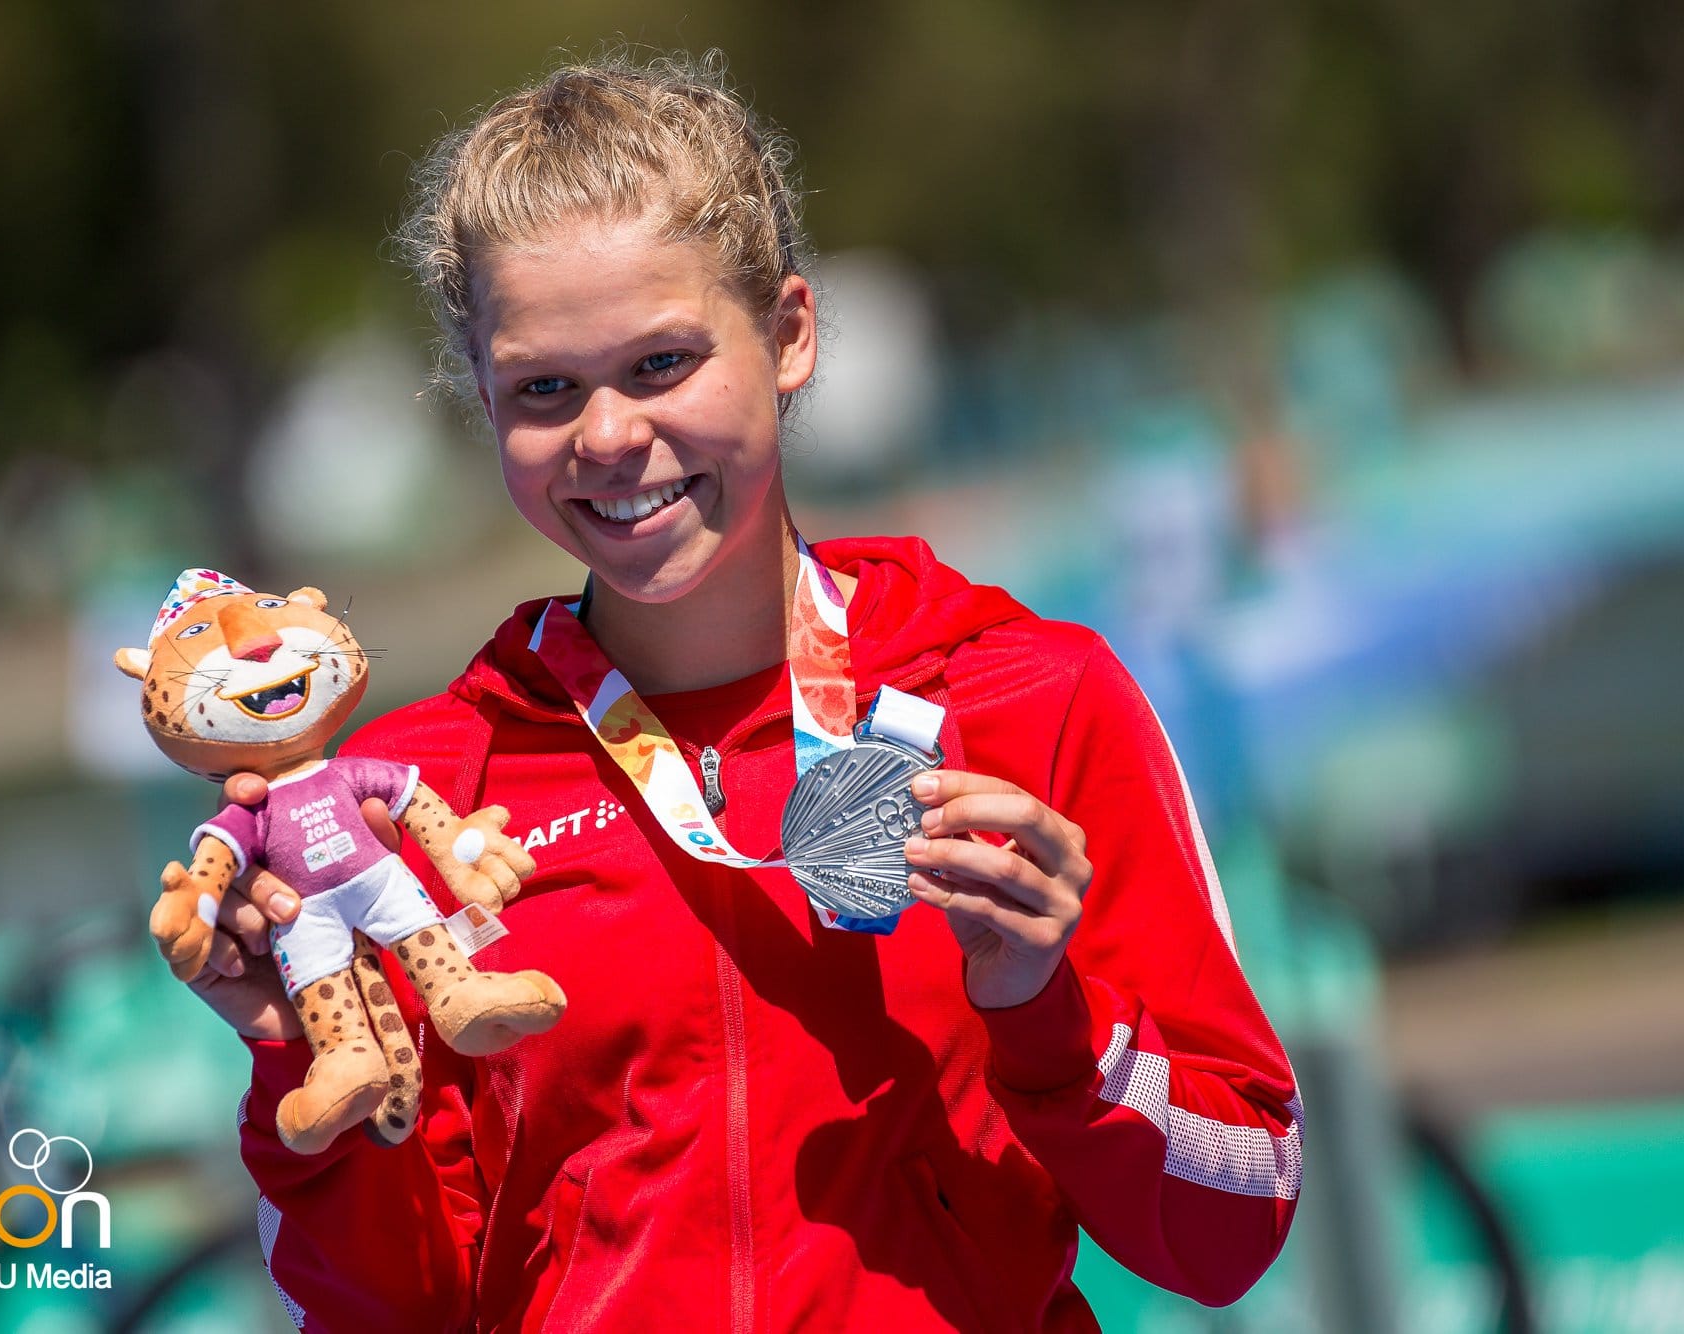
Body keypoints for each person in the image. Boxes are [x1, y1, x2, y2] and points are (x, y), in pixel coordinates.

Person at [170, 53, 1302, 1333]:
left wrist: (1047, 1014)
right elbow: (391, 1308)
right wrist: (295, 1064)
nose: (604, 435)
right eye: (545, 387)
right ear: (483, 399)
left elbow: (1237, 1221)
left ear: (790, 335)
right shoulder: (423, 792)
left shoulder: (1027, 698)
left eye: (659, 362)